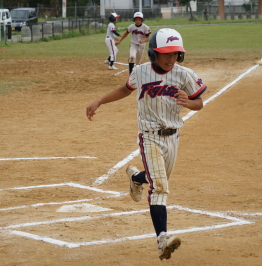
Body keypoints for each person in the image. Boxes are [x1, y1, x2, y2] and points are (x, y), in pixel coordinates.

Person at [86, 28, 207, 260]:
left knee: (157, 179)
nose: (171, 59)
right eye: (166, 54)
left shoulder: (184, 75)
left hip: (173, 137)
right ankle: (162, 239)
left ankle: (135, 178)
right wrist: (99, 100)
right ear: (153, 53)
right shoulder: (141, 72)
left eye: (175, 54)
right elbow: (125, 89)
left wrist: (189, 104)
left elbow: (199, 101)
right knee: (159, 187)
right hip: (149, 135)